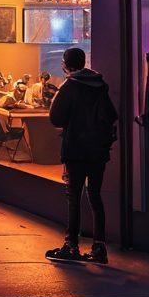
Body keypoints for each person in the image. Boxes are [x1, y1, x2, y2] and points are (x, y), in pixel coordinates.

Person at [46, 47, 118, 264]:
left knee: (73, 197)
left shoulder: (70, 86)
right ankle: (99, 247)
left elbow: (56, 118)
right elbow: (111, 115)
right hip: (98, 150)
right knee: (95, 195)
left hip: (76, 149)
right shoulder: (100, 85)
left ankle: (71, 245)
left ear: (65, 64)